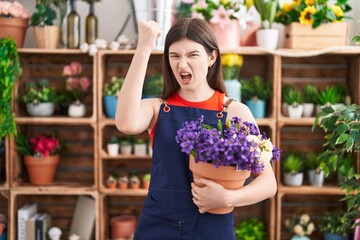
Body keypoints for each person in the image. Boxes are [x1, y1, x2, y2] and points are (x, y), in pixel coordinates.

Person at [115, 18, 277, 240]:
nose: (182, 65)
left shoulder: (234, 112)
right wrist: (143, 47)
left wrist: (227, 198)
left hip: (212, 228)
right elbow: (125, 123)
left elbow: (268, 183)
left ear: (211, 57)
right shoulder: (156, 108)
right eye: (175, 56)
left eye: (192, 55)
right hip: (158, 227)